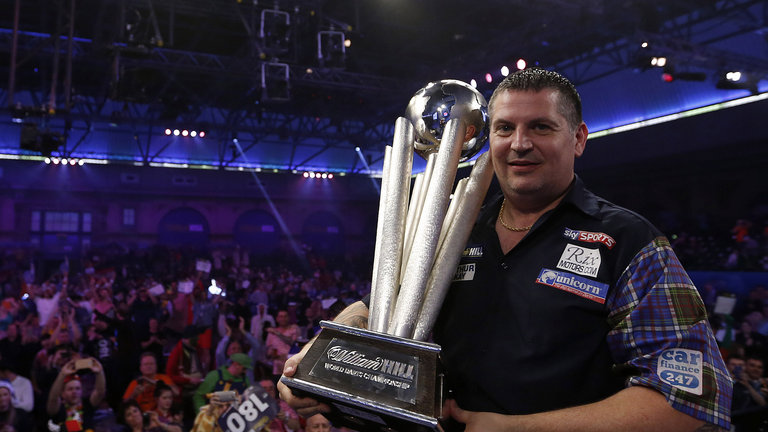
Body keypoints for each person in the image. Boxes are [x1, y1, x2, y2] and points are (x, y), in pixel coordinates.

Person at [278, 68, 732, 430]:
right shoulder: (454, 226)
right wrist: (316, 356)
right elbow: (379, 307)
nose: (519, 144)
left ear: (578, 138)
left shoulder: (627, 240)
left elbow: (691, 399)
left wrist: (518, 428)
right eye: (504, 128)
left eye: (541, 127)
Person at [46, 357, 106, 431]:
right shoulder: (58, 408)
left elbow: (100, 392)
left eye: (77, 388)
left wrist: (100, 372)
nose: (74, 392)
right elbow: (53, 398)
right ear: (62, 393)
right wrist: (62, 374)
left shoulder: (87, 404)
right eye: (70, 389)